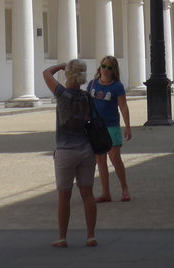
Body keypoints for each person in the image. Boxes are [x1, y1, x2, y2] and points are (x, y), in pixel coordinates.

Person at [42, 60, 98, 248]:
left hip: (65, 149)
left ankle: (62, 237)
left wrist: (60, 66)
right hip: (85, 148)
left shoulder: (62, 94)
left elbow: (46, 73)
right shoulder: (86, 97)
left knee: (64, 196)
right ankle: (90, 235)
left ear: (67, 75)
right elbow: (90, 118)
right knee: (88, 194)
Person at [87, 55, 132, 203]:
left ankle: (124, 187)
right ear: (99, 68)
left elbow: (123, 107)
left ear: (114, 71)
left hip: (111, 126)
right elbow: (87, 105)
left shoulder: (117, 86)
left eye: (109, 67)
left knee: (115, 158)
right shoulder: (92, 84)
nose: (105, 70)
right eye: (103, 66)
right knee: (100, 159)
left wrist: (127, 126)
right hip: (95, 127)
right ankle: (106, 193)